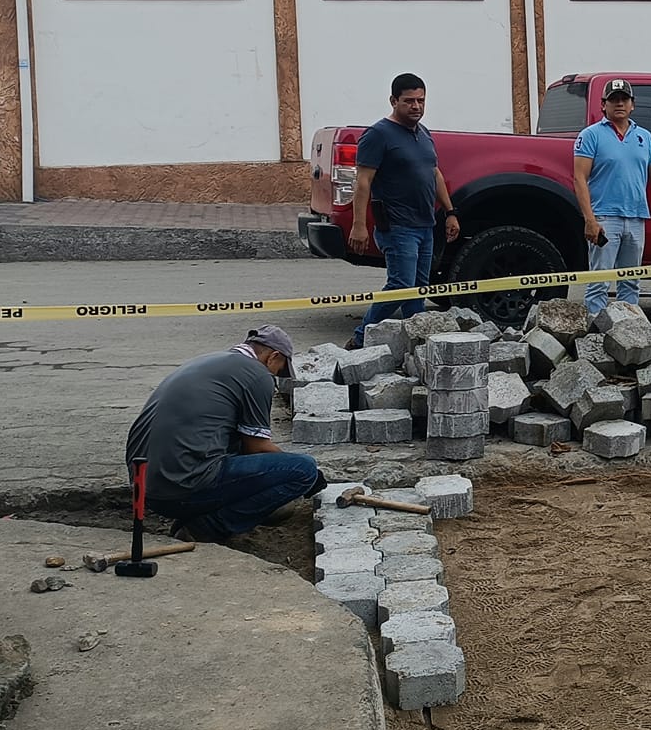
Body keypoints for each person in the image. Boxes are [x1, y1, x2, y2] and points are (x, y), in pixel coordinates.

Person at [125, 326, 324, 542]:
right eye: (280, 369)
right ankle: (206, 528)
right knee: (303, 469)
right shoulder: (258, 375)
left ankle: (193, 516)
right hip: (180, 488)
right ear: (273, 356)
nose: (276, 376)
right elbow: (256, 447)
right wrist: (309, 475)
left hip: (144, 489)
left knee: (234, 445)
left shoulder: (210, 362)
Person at [348, 72, 458, 348]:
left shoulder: (424, 134)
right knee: (401, 287)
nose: (416, 106)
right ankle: (360, 338)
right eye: (409, 101)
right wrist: (359, 225)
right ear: (393, 101)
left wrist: (450, 212)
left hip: (425, 226)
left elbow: (434, 173)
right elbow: (363, 182)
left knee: (417, 291)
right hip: (397, 227)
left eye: (421, 100)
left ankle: (417, 346)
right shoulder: (378, 135)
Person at [573, 78, 651, 316]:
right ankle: (596, 327)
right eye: (613, 99)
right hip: (605, 218)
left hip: (636, 217)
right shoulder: (591, 135)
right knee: (599, 282)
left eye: (624, 99)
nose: (619, 104)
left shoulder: (644, 137)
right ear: (603, 105)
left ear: (632, 104)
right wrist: (590, 219)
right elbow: (579, 178)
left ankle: (628, 327)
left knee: (631, 281)